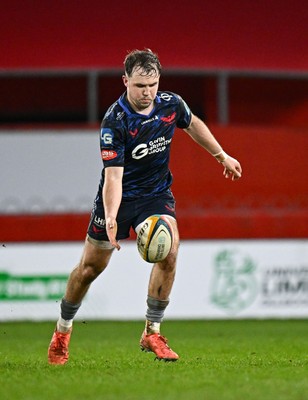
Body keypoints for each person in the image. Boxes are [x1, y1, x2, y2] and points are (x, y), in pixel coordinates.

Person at [48, 49, 242, 364]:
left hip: (155, 194)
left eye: (152, 84)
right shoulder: (116, 121)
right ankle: (62, 330)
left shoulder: (170, 105)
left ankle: (152, 331)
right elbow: (113, 177)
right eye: (140, 85)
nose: (147, 92)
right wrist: (111, 217)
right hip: (120, 197)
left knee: (170, 250)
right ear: (125, 81)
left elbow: (192, 124)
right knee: (89, 269)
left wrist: (221, 155)